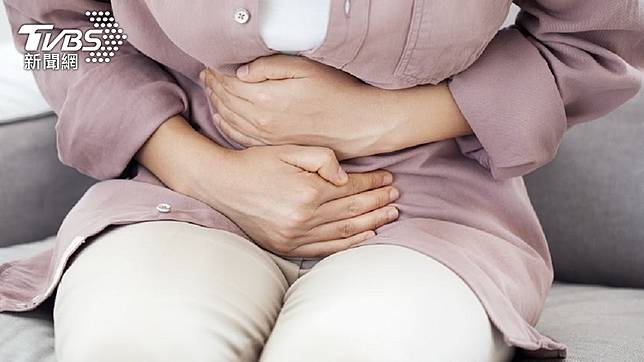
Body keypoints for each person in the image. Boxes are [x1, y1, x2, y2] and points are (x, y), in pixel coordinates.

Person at [1, 0, 642, 361]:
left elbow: (597, 42)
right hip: (180, 195)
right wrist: (201, 167)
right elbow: (59, 24)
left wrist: (384, 118)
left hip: (430, 210)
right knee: (137, 345)